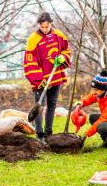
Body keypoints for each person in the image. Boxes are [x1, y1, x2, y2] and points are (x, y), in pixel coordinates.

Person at [23, 12, 71, 142]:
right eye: (42, 27)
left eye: (47, 26)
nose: (45, 29)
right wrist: (39, 80)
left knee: (52, 105)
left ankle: (48, 133)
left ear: (51, 23)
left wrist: (63, 57)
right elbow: (29, 62)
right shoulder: (33, 39)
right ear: (39, 25)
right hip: (41, 80)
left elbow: (66, 50)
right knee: (39, 106)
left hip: (55, 78)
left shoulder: (59, 35)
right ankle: (39, 134)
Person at [73, 70, 107, 149]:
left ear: (103, 89)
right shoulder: (102, 93)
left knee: (101, 127)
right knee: (93, 118)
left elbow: (103, 119)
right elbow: (91, 97)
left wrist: (86, 134)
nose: (94, 92)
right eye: (94, 89)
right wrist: (81, 103)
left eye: (96, 90)